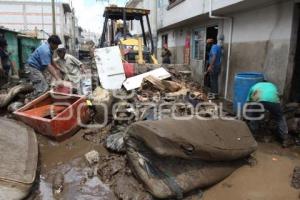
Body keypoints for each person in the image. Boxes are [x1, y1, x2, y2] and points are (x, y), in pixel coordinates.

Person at [246, 81, 293, 147]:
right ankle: (285, 138)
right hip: (273, 101)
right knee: (280, 118)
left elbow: (248, 101)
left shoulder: (255, 85)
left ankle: (254, 134)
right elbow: (276, 97)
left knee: (254, 116)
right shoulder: (272, 85)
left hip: (258, 100)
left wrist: (249, 113)